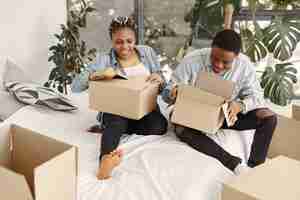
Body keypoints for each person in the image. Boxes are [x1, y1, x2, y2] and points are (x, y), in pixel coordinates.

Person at [161, 29, 277, 174]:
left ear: (236, 56)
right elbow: (166, 93)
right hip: (195, 115)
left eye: (226, 62)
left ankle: (255, 168)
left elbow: (258, 97)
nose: (219, 65)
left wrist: (240, 106)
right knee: (179, 126)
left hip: (227, 115)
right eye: (214, 58)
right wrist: (173, 92)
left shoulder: (244, 65)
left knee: (269, 117)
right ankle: (234, 164)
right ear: (211, 48)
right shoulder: (192, 60)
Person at [71, 16, 168, 179]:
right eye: (119, 42)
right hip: (117, 108)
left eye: (129, 41)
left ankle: (112, 129)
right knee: (115, 120)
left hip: (143, 108)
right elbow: (75, 87)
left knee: (160, 126)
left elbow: (160, 85)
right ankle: (105, 162)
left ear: (135, 39)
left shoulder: (147, 52)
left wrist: (159, 78)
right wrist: (98, 73)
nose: (125, 47)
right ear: (112, 41)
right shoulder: (104, 59)